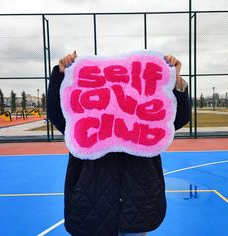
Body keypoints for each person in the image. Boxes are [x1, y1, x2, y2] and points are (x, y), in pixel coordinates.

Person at [47, 50, 190, 236]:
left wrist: (175, 80)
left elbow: (177, 119)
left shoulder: (141, 108)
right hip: (93, 201)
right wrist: (60, 75)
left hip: (137, 201)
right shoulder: (84, 113)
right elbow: (58, 116)